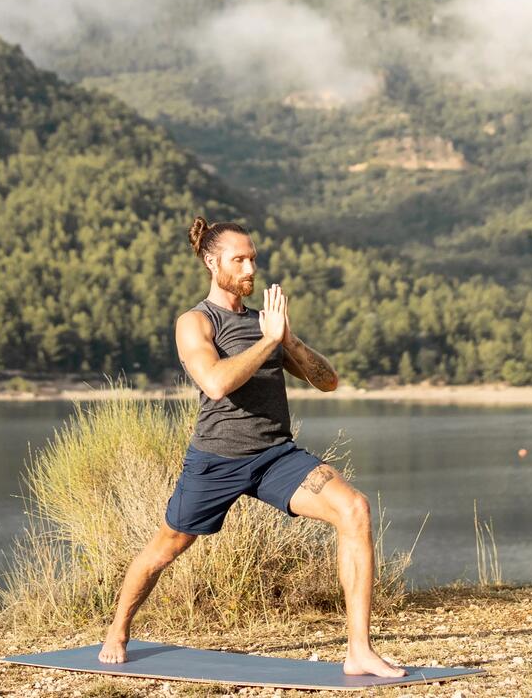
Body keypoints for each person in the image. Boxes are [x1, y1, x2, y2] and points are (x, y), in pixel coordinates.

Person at [97, 216, 402, 678]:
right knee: (167, 546)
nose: (249, 268)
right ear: (211, 261)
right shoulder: (196, 322)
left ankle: (359, 649)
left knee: (354, 509)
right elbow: (216, 383)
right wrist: (268, 341)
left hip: (276, 457)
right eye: (239, 259)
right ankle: (118, 628)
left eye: (253, 259)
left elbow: (328, 382)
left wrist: (289, 340)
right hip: (216, 459)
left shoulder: (269, 325)